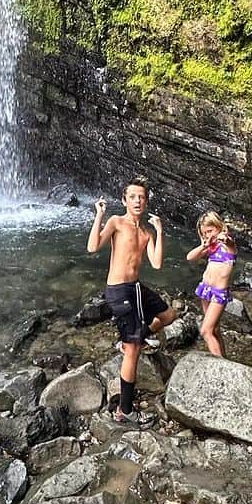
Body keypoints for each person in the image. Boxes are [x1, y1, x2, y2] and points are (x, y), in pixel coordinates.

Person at [87, 177, 178, 428]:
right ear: (124, 200)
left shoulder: (146, 233)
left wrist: (159, 231)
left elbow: (157, 264)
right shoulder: (117, 223)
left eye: (142, 197)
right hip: (119, 290)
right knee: (134, 351)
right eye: (133, 197)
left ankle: (133, 340)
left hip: (136, 289)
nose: (138, 201)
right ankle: (125, 411)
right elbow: (93, 246)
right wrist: (99, 216)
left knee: (169, 315)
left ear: (146, 202)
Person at [186, 211, 236, 356]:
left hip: (218, 294)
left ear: (219, 227)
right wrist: (204, 245)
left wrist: (224, 238)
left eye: (211, 230)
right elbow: (190, 257)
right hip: (206, 289)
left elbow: (229, 242)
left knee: (205, 330)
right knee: (214, 329)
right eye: (205, 233)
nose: (208, 235)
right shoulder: (210, 247)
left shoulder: (228, 246)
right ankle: (224, 358)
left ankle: (219, 365)